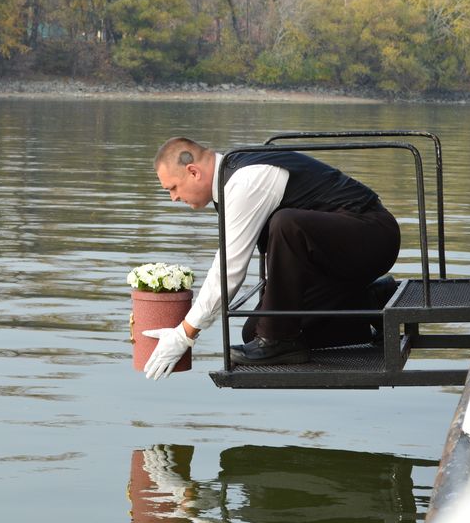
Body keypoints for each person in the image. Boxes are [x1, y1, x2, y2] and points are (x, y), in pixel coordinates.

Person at [142, 137, 400, 379]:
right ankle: (370, 304)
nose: (173, 197)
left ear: (193, 172)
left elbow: (229, 269)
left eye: (173, 188)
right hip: (333, 258)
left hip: (373, 236)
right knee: (254, 332)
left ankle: (280, 341)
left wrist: (185, 333)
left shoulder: (244, 181)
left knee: (287, 225)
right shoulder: (232, 176)